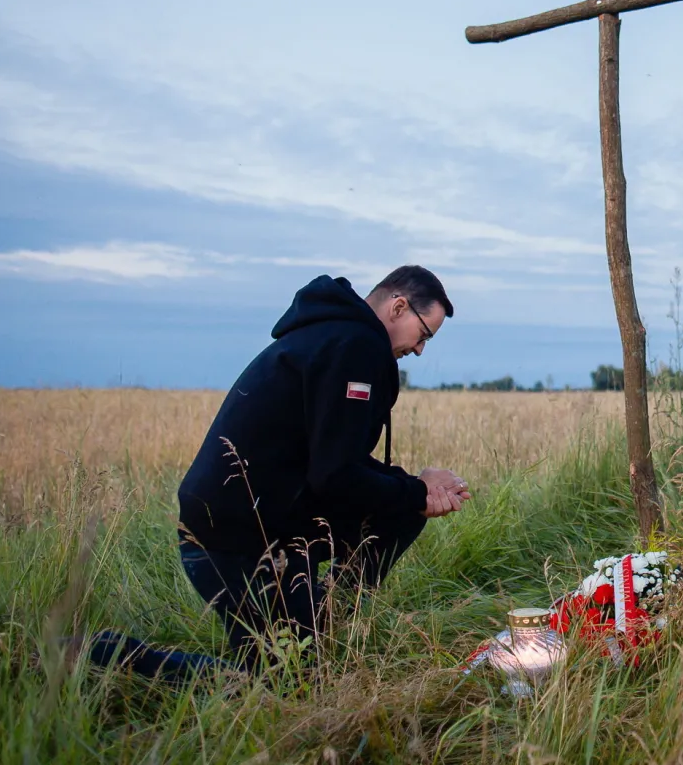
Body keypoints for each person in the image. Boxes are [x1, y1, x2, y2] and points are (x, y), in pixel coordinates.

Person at [86, 265, 470, 681]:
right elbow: (336, 477)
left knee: (400, 510)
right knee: (286, 687)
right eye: (423, 335)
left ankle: (324, 620)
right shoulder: (354, 345)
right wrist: (417, 491)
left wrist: (414, 488)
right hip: (236, 542)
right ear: (398, 307)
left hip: (270, 529)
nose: (419, 351)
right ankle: (105, 658)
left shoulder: (332, 336)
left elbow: (334, 462)